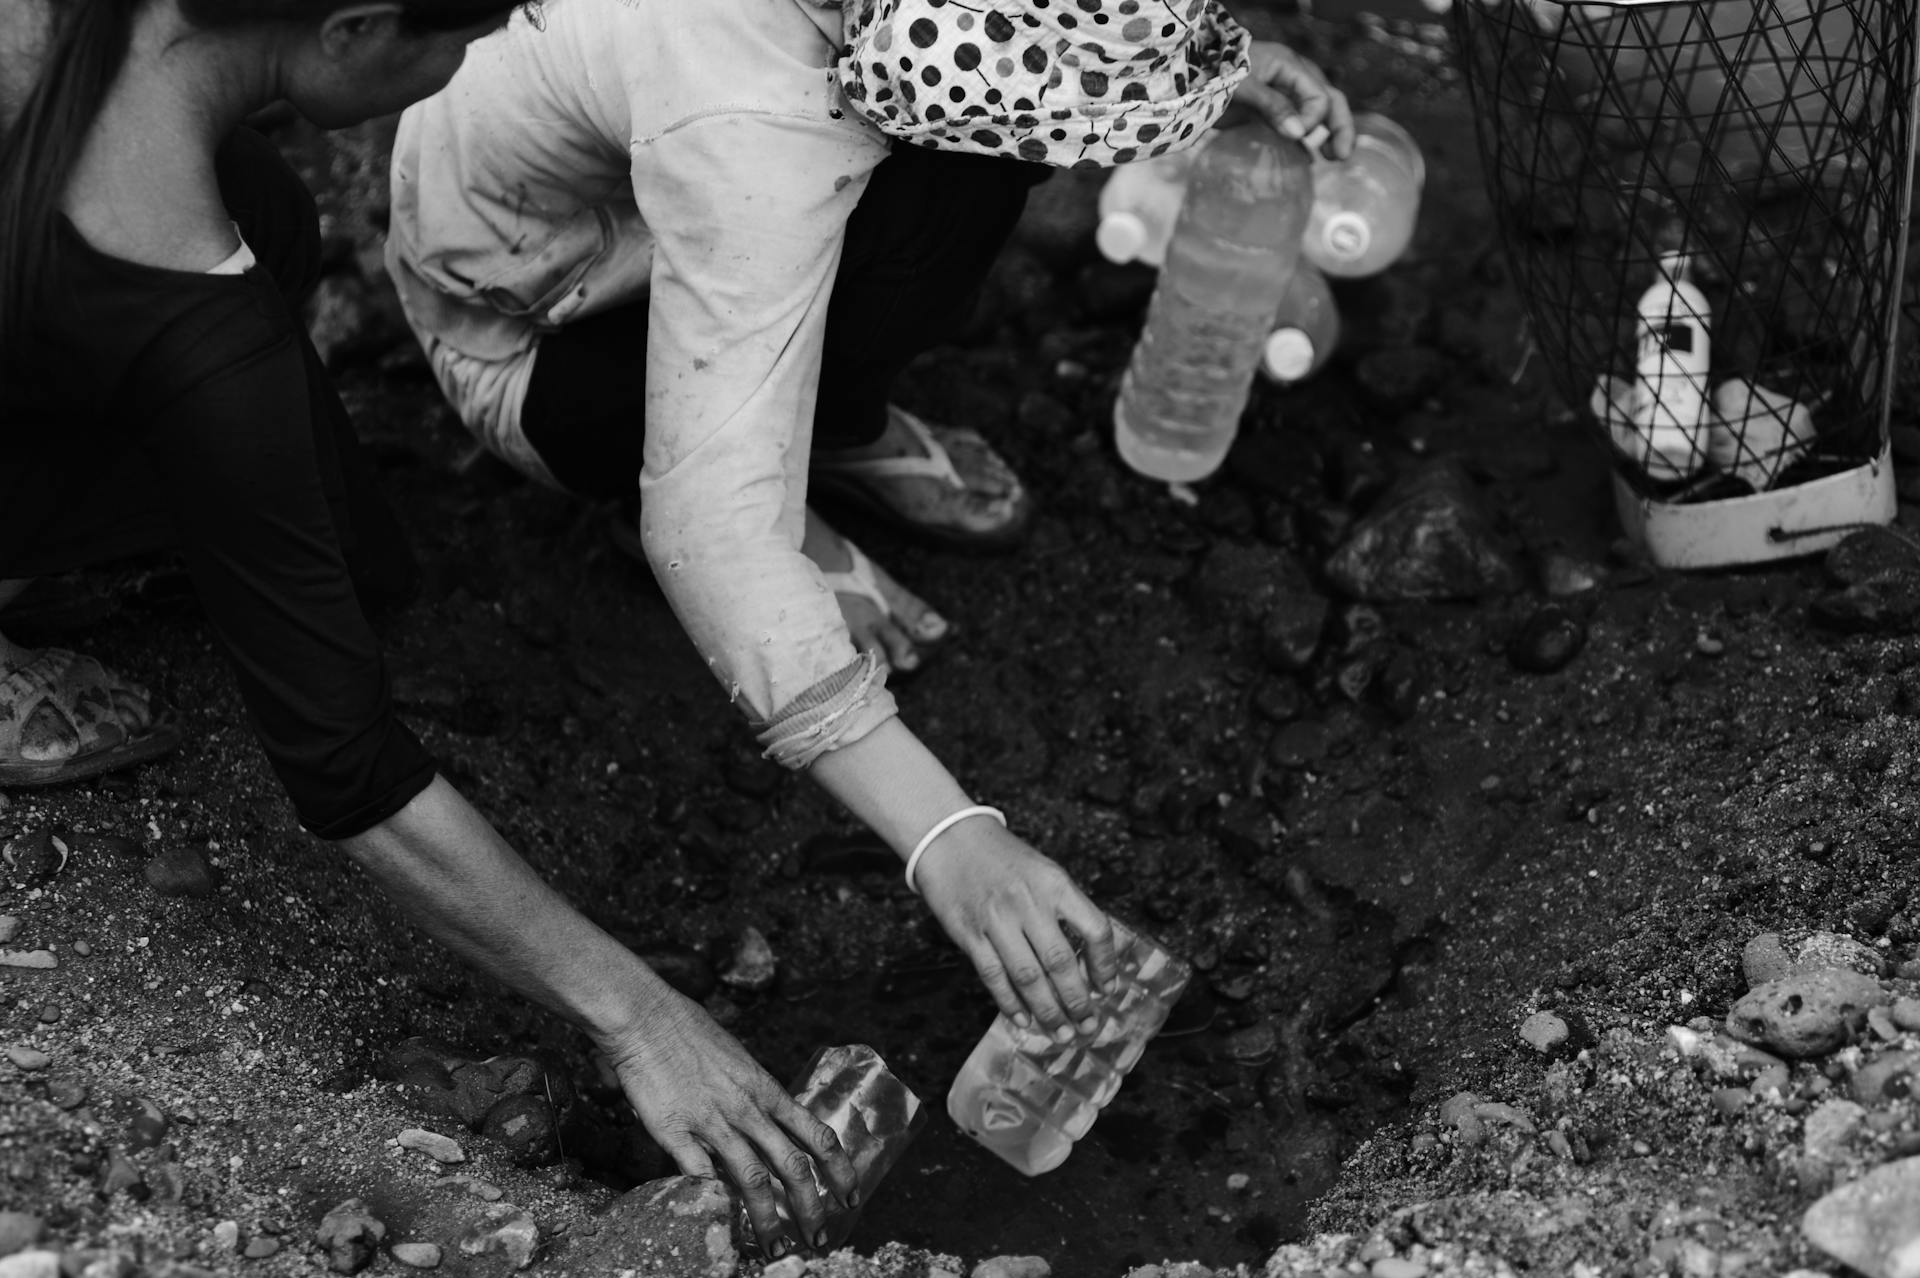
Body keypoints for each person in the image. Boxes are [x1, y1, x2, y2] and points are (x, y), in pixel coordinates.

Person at [0, 0, 1139, 1255]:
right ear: (352, 29)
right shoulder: (203, 340)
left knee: (273, 217)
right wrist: (636, 1015)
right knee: (260, 383)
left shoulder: (100, 51)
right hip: (375, 326)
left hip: (150, 264)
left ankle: (95, 518)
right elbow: (345, 763)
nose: (472, 62)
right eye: (463, 34)